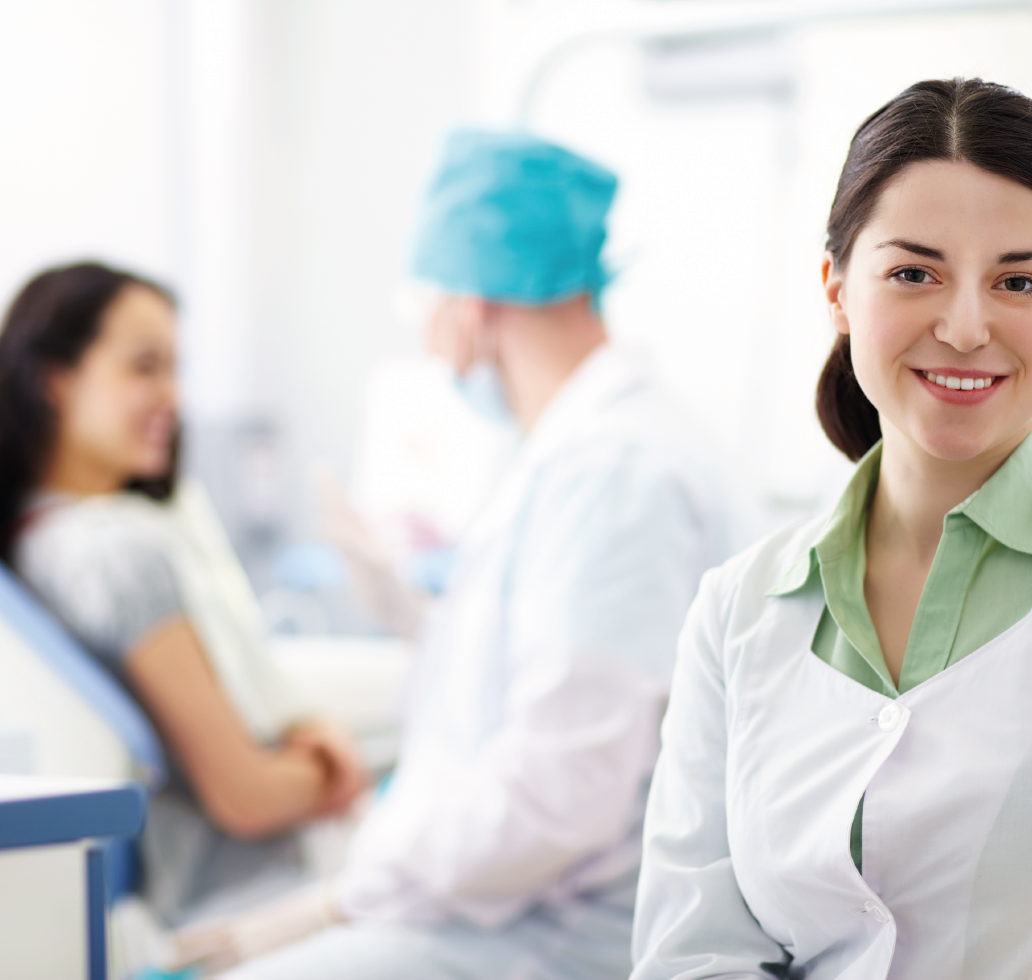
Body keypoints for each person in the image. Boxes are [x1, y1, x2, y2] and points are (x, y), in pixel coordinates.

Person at [200, 130, 731, 980]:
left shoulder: (614, 471)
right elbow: (558, 671)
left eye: (427, 307)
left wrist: (343, 896)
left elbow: (562, 790)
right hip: (513, 907)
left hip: (556, 934)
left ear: (474, 304)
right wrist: (419, 618)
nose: (429, 342)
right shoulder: (581, 453)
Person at [631, 77, 1032, 980]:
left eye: (1019, 280)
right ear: (837, 289)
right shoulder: (738, 609)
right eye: (913, 273)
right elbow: (691, 950)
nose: (965, 327)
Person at [0, 263, 365, 930]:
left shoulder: (30, 542)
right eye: (143, 367)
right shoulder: (119, 554)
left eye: (175, 370)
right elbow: (245, 795)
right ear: (54, 380)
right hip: (248, 901)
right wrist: (337, 767)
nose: (171, 397)